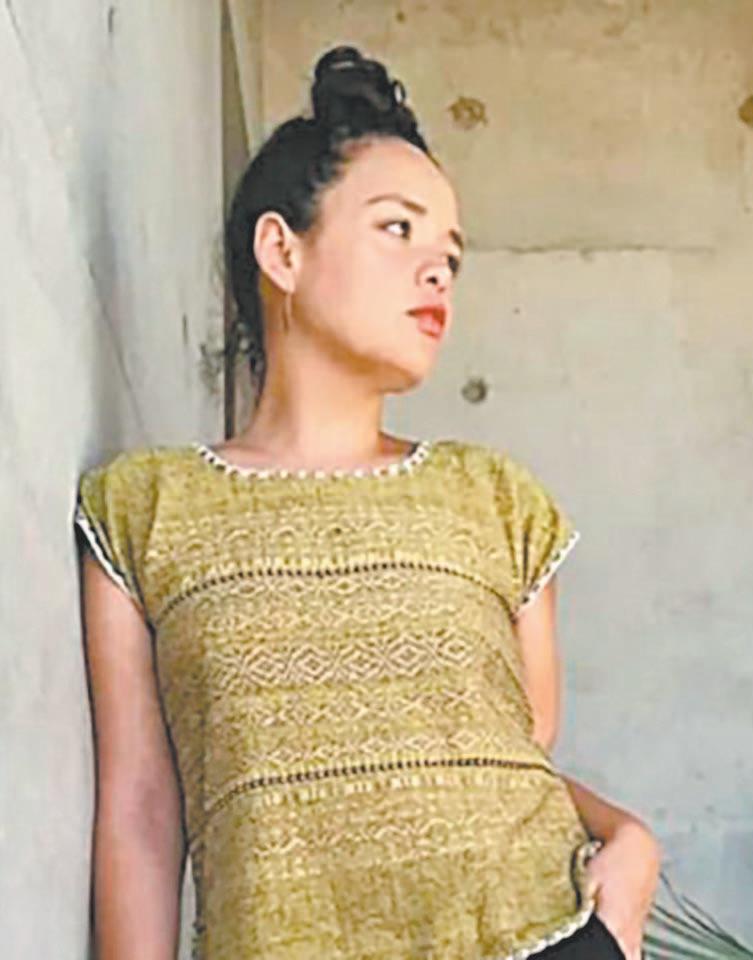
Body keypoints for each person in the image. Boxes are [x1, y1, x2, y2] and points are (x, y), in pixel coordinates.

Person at [74, 44, 660, 960]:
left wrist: (628, 848)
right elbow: (144, 812)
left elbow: (514, 754)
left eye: (451, 256)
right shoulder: (144, 508)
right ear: (282, 250)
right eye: (397, 229)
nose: (437, 272)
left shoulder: (495, 499)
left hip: (534, 938)